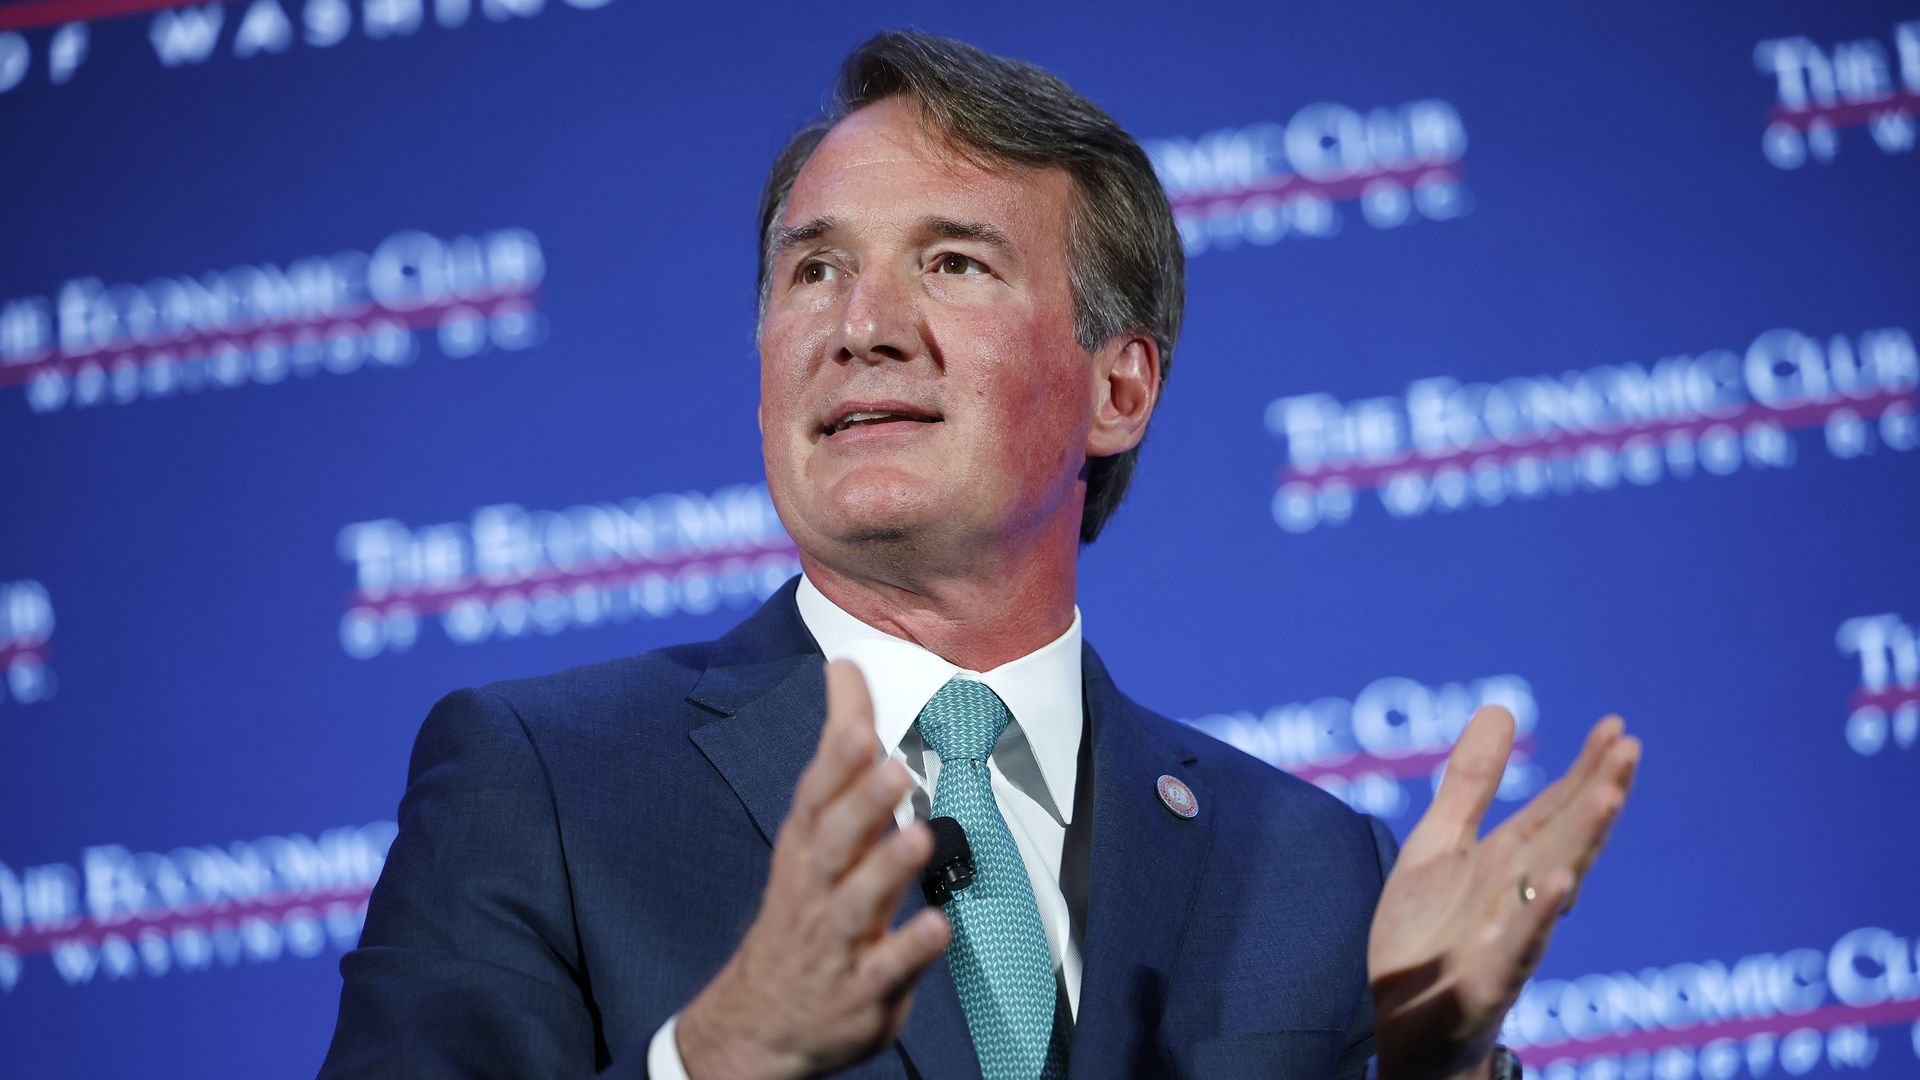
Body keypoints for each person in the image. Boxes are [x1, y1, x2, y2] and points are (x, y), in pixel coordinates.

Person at [318, 29, 1640, 1080]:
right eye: (813, 271)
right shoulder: (543, 781)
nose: (864, 325)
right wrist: (713, 1063)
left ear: (1119, 389)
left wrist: (1436, 1072)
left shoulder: (1304, 864)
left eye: (952, 263)